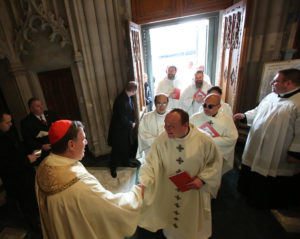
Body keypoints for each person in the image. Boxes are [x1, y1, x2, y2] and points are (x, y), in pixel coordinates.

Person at [36, 120, 144, 239]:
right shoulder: (80, 185)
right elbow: (112, 208)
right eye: (83, 139)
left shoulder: (43, 167)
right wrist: (136, 194)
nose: (86, 143)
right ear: (71, 145)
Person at [138, 108, 222, 239]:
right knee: (171, 216)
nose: (167, 129)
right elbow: (150, 163)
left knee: (190, 221)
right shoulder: (162, 139)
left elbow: (215, 163)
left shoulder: (204, 140)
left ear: (185, 125)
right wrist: (144, 181)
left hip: (193, 190)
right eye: (165, 125)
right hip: (169, 187)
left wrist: (202, 179)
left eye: (172, 126)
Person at [233, 68, 300, 209]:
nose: (271, 83)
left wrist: (295, 153)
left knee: (269, 176)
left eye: (275, 81)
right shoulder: (271, 96)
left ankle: (264, 204)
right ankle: (248, 194)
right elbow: (258, 111)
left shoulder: (297, 103)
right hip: (256, 144)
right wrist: (245, 116)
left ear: (288, 83)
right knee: (252, 170)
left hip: (277, 150)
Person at [0, 110, 40, 229]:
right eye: (7, 122)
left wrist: (30, 154)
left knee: (31, 198)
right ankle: (35, 224)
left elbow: (16, 150)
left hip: (23, 173)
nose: (11, 124)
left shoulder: (6, 133)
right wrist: (28, 160)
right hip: (16, 179)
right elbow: (7, 163)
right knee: (26, 202)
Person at [190, 94, 238, 175]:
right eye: (204, 105)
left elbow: (232, 138)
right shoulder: (194, 118)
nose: (206, 108)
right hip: (198, 155)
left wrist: (210, 140)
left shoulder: (227, 121)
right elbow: (188, 135)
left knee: (211, 177)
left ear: (219, 106)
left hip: (216, 155)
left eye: (210, 106)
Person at [108, 81, 140, 178]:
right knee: (116, 149)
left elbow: (129, 112)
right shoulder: (120, 99)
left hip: (124, 129)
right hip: (118, 130)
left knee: (126, 147)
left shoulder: (127, 97)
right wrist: (131, 124)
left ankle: (126, 162)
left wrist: (133, 121)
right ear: (134, 91)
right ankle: (112, 167)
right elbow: (120, 117)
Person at [21, 97, 59, 165]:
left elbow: (60, 126)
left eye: (41, 104)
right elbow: (28, 140)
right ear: (31, 109)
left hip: (56, 143)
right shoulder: (26, 122)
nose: (41, 107)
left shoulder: (50, 114)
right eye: (38, 106)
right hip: (40, 148)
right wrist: (41, 146)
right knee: (39, 158)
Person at [136, 93, 169, 162]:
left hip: (169, 151)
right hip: (152, 152)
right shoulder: (146, 118)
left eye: (164, 103)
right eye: (159, 103)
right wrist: (158, 140)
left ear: (168, 104)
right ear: (155, 103)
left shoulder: (173, 118)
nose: (162, 107)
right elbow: (142, 135)